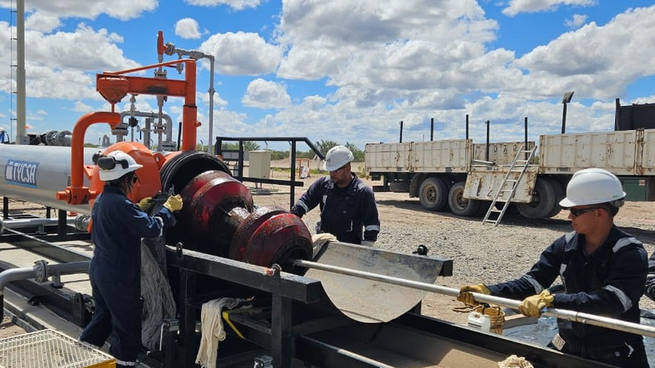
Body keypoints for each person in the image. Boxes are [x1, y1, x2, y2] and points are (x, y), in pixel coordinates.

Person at [458, 168, 649, 368]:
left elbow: (613, 301)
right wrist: (488, 291)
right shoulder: (565, 245)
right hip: (570, 345)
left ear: (599, 213)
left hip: (618, 354)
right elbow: (532, 283)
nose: (569, 217)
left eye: (576, 211)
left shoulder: (629, 253)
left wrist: (554, 300)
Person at [79, 151, 182, 368]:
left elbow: (124, 225)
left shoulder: (102, 200)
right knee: (127, 329)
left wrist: (138, 210)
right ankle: (124, 364)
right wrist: (167, 210)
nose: (135, 183)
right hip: (119, 275)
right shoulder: (120, 205)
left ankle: (82, 358)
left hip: (100, 269)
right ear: (125, 179)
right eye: (134, 178)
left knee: (103, 318)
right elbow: (152, 229)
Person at [290, 145, 380, 245]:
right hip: (323, 243)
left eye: (335, 170)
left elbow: (372, 225)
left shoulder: (363, 193)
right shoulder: (323, 185)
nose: (331, 174)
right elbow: (304, 203)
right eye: (330, 170)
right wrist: (290, 221)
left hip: (349, 247)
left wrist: (364, 250)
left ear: (347, 169)